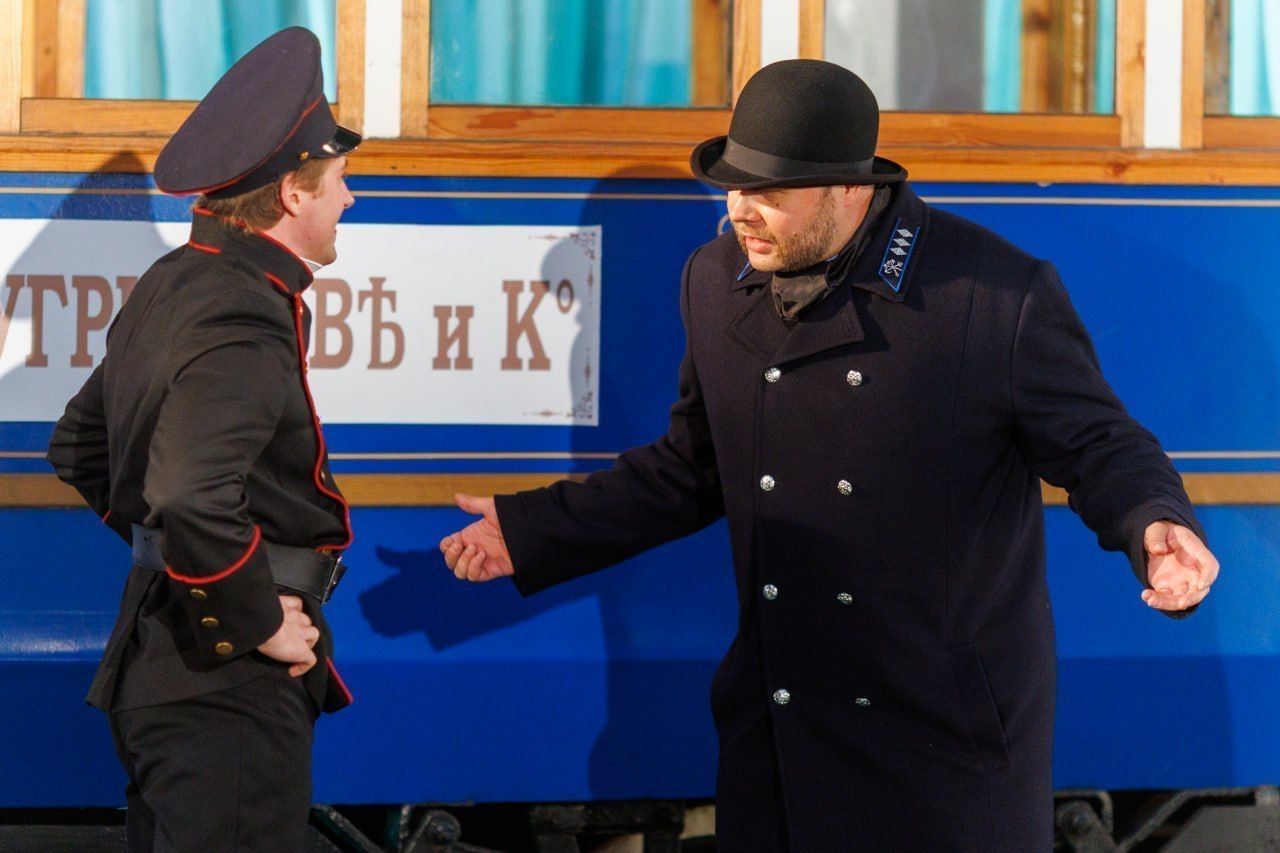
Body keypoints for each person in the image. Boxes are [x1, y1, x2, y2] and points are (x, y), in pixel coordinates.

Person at [439, 60, 1220, 852]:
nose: (740, 211)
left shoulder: (991, 295)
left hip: (942, 757)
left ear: (849, 187)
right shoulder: (715, 281)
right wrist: (532, 528)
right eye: (733, 186)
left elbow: (1100, 441)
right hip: (779, 745)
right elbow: (692, 466)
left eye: (769, 191)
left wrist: (1153, 521)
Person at [47, 27, 359, 852]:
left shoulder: (176, 279)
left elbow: (78, 446)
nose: (349, 200)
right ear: (292, 194)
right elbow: (187, 491)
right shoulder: (243, 303)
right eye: (339, 181)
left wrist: (174, 555)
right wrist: (252, 616)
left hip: (162, 663)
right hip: (224, 691)